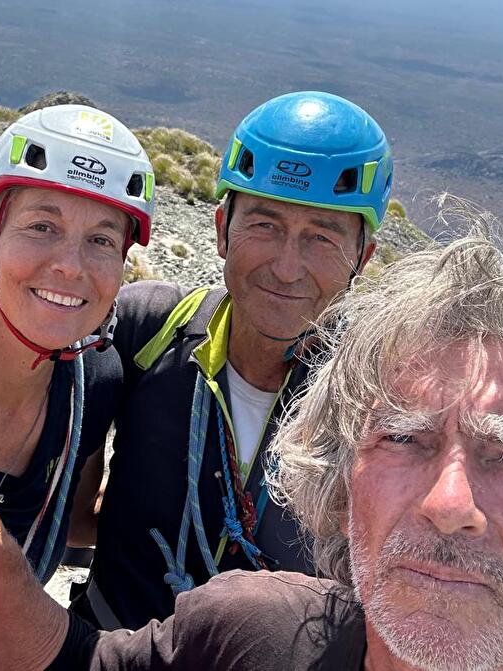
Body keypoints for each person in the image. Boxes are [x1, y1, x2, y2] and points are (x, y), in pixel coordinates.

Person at [0, 218, 503, 671]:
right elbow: (59, 664)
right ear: (342, 499)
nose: (451, 506)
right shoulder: (257, 633)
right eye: (405, 439)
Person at [74, 90, 393, 629]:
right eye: (265, 226)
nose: (287, 268)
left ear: (362, 258)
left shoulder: (382, 399)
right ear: (222, 229)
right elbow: (66, 511)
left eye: (321, 236)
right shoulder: (145, 331)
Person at [0, 104, 155, 582]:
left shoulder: (95, 384)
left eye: (102, 240)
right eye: (42, 227)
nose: (71, 266)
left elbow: (74, 522)